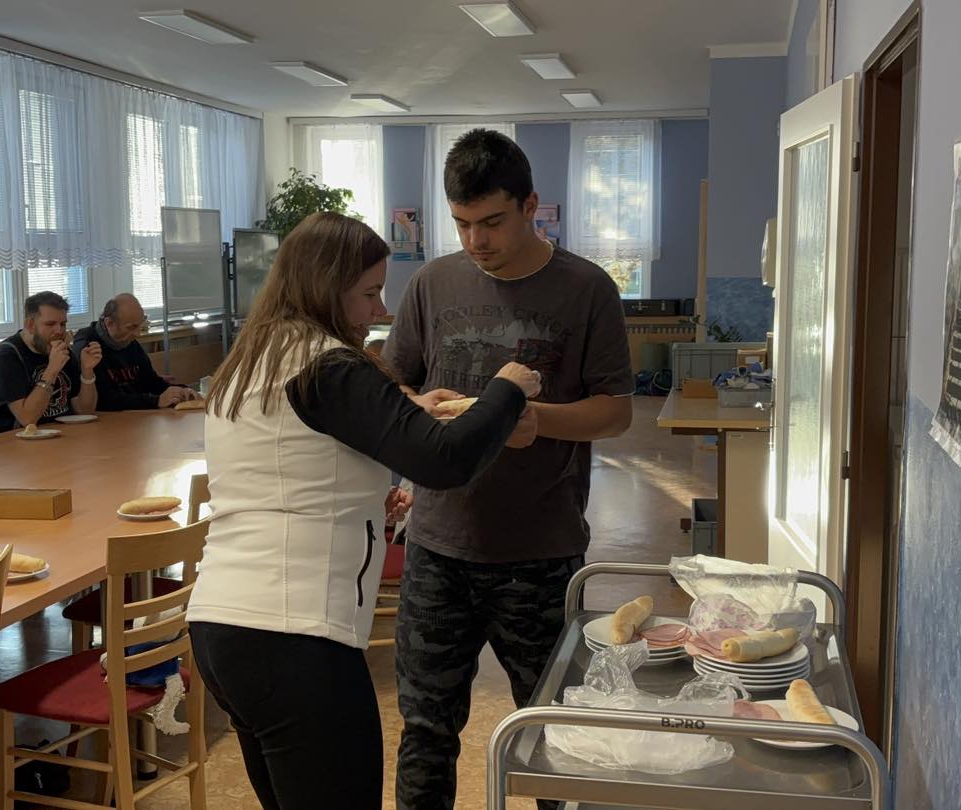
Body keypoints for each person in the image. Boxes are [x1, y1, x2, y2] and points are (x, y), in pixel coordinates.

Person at [187, 211, 541, 810]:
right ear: (325, 288)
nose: (380, 310)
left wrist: (372, 479)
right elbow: (447, 460)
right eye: (368, 293)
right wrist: (507, 389)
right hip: (295, 636)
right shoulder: (329, 365)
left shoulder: (255, 357)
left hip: (223, 628)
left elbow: (290, 463)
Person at [381, 128, 635, 810]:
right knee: (425, 730)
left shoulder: (586, 288)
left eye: (492, 222)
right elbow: (392, 385)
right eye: (462, 224)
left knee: (558, 734)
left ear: (530, 205)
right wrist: (417, 406)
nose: (476, 241)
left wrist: (536, 419)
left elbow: (616, 411)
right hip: (438, 547)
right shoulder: (431, 283)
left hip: (541, 552)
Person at [0, 291, 101, 439]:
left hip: (47, 437)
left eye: (63, 324)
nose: (60, 331)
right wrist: (52, 370)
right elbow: (28, 419)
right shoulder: (5, 359)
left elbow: (84, 411)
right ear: (30, 325)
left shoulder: (60, 351)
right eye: (50, 324)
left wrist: (87, 371)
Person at [72, 293, 197, 410]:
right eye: (132, 327)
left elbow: (151, 381)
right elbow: (105, 399)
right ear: (109, 323)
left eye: (139, 325)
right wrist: (156, 401)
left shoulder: (129, 341)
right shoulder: (88, 346)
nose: (137, 334)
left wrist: (181, 391)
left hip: (136, 416)